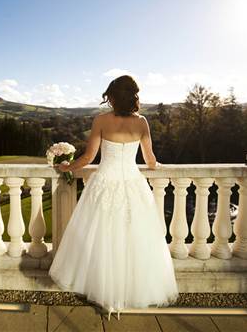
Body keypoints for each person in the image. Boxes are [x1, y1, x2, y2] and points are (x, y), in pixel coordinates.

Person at [48, 74, 179, 321]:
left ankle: (103, 288)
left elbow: (88, 158)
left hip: (104, 184)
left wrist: (66, 167)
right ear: (133, 97)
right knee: (132, 238)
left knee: (103, 237)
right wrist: (158, 164)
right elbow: (150, 161)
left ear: (112, 96)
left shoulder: (100, 120)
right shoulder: (142, 123)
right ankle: (127, 289)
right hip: (132, 185)